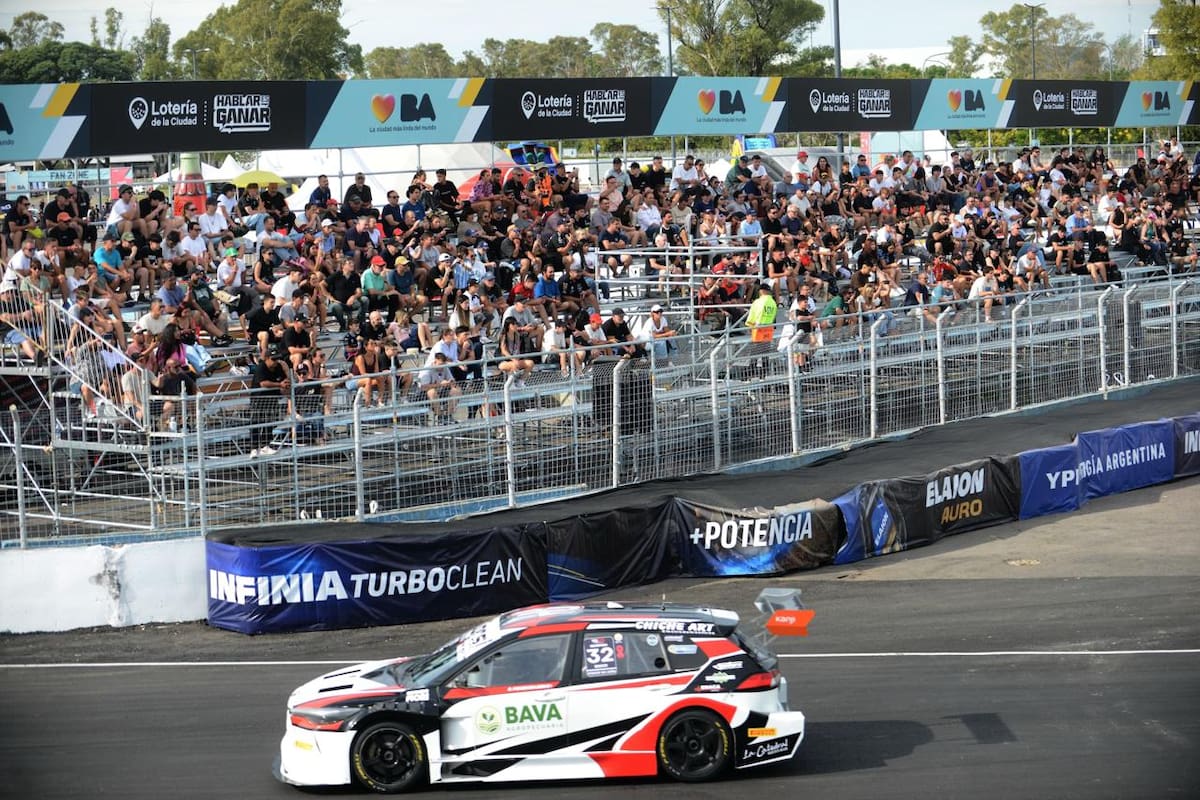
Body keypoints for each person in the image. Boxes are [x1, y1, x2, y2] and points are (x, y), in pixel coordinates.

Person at [249, 344, 289, 457]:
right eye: (273, 359)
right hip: (259, 399)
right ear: (266, 358)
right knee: (256, 423)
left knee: (270, 422)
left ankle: (265, 445)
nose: (275, 362)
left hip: (272, 399)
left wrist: (286, 375)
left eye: (277, 359)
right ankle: (254, 448)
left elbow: (285, 379)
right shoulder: (261, 368)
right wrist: (279, 384)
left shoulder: (278, 367)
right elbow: (263, 383)